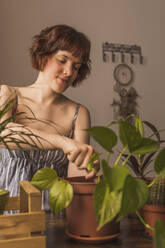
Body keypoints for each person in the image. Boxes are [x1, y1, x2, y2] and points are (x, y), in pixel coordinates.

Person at [0, 24, 99, 210]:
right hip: (8, 214)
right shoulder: (8, 94)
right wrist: (62, 142)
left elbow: (75, 175)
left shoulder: (79, 113)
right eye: (62, 60)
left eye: (76, 67)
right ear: (43, 55)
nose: (69, 72)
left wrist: (87, 166)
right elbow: (4, 134)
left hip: (55, 217)